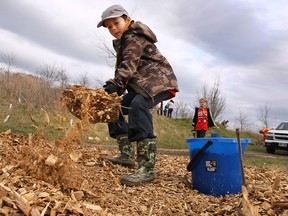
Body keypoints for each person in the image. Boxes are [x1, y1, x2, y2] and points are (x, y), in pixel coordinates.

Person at [97, 5, 179, 186]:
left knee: (138, 105)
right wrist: (114, 87)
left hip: (158, 81)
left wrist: (117, 84)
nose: (113, 29)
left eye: (116, 23)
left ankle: (147, 167)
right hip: (142, 84)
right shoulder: (123, 41)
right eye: (109, 27)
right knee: (113, 106)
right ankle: (126, 155)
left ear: (127, 19)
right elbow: (124, 67)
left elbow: (129, 64)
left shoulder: (133, 36)